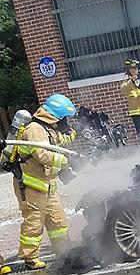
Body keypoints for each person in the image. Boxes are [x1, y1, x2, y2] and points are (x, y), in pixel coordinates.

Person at [13, 93, 77, 270]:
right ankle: (30, 258)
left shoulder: (48, 128)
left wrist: (71, 135)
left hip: (47, 185)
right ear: (56, 115)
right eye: (65, 118)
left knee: (58, 222)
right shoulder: (35, 129)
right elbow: (42, 154)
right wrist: (66, 160)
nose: (66, 121)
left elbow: (56, 141)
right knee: (34, 223)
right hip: (31, 186)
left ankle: (63, 252)